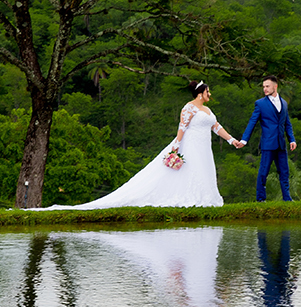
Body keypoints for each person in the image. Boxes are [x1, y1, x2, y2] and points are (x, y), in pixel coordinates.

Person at [30, 80, 243, 210]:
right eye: (208, 92)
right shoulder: (189, 108)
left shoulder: (207, 110)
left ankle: (206, 198)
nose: (210, 95)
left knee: (205, 170)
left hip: (204, 146)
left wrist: (232, 139)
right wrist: (176, 146)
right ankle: (191, 198)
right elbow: (182, 127)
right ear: (200, 93)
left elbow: (216, 127)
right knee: (189, 170)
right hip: (190, 144)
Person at [239, 76, 297, 201]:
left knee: (284, 172)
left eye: (267, 86)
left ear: (275, 87)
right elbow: (252, 122)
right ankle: (260, 199)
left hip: (281, 143)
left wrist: (292, 139)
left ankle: (287, 198)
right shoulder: (260, 104)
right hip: (267, 143)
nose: (265, 89)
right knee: (263, 172)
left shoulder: (284, 103)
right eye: (264, 86)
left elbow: (287, 123)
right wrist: (244, 140)